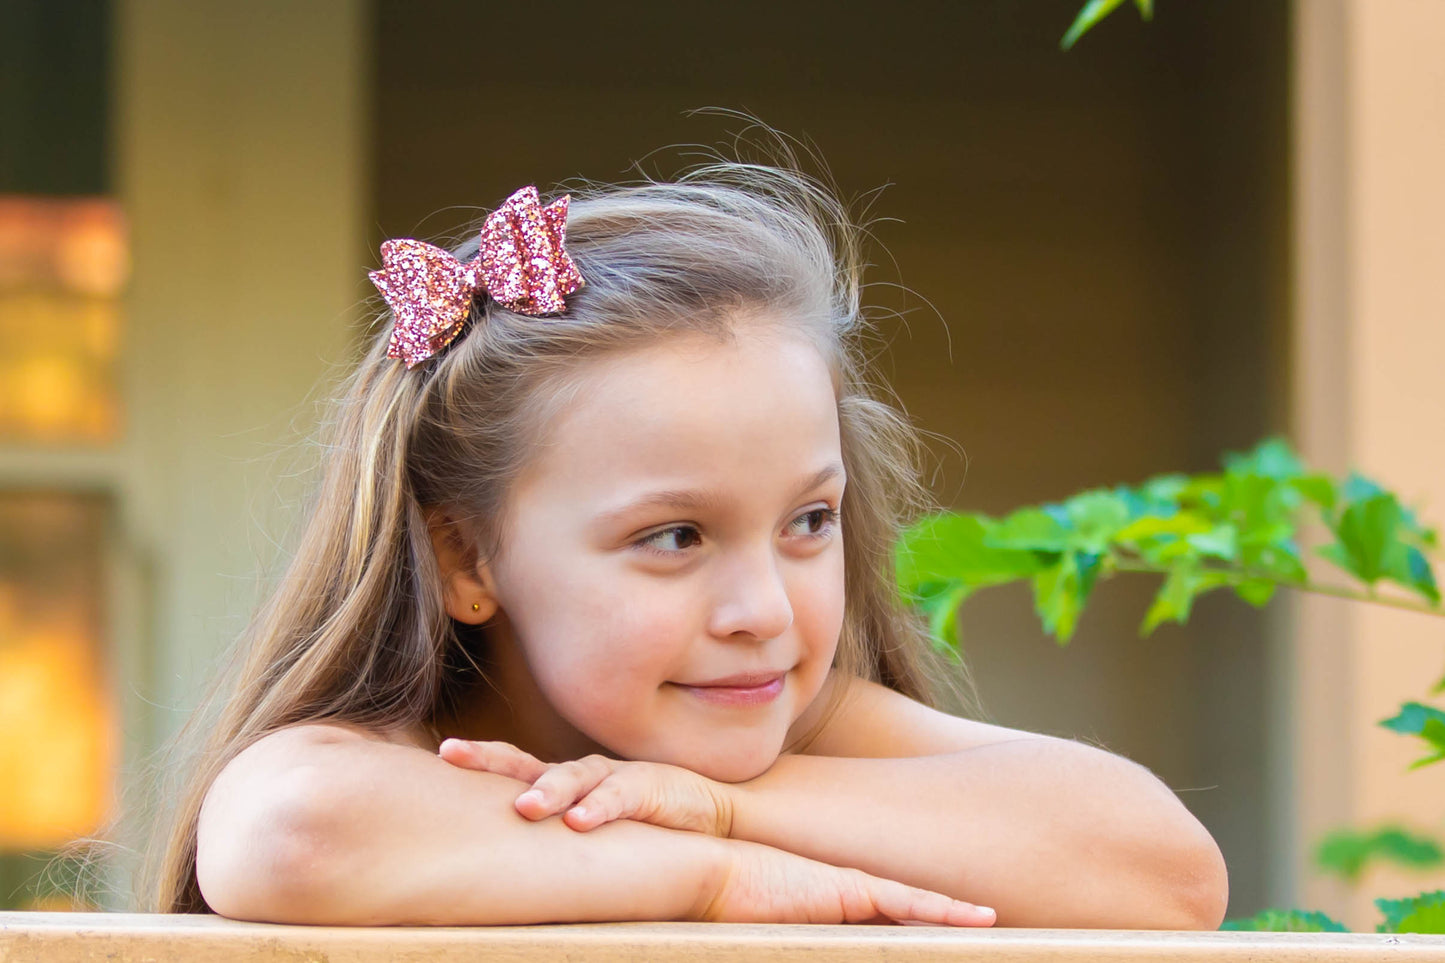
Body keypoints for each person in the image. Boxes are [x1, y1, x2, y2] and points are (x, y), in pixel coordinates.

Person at [145, 150, 1228, 928]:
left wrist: (722, 805)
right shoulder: (392, 759)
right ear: (466, 558)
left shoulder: (808, 727)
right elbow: (294, 837)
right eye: (673, 536)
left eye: (808, 521)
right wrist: (708, 875)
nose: (761, 607)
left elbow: (1165, 874)